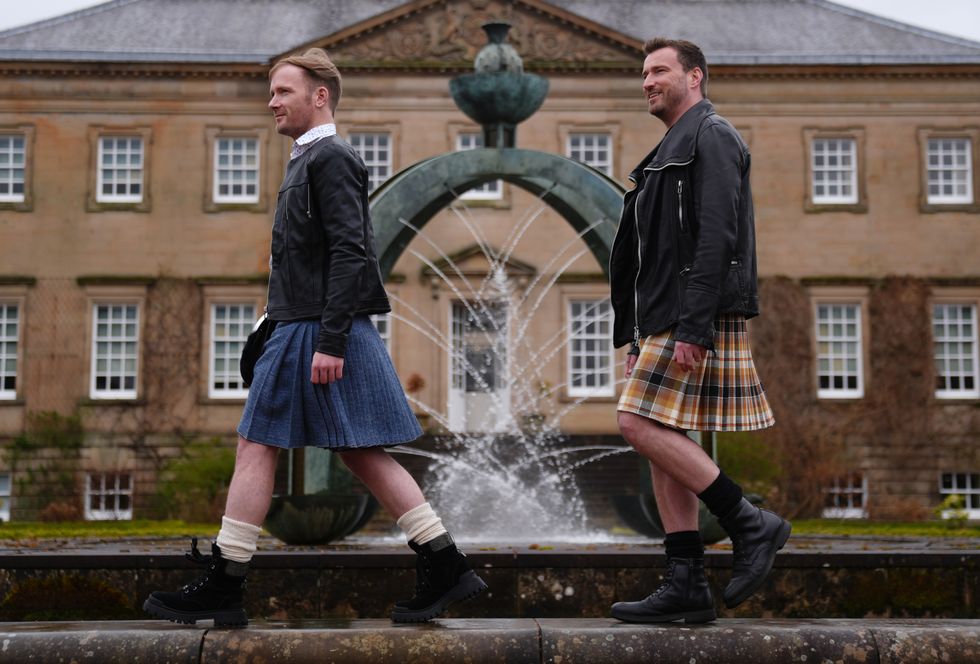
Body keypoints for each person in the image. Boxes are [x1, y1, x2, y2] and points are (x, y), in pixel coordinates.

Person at [143, 48, 486, 627]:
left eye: (283, 91)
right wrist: (265, 323)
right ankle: (445, 562)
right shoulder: (307, 159)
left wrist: (329, 341)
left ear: (319, 95)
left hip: (318, 330)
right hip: (301, 324)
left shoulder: (331, 158)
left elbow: (353, 253)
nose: (272, 101)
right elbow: (306, 262)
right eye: (272, 92)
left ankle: (226, 584)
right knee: (359, 451)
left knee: (256, 445)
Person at [608, 37, 790, 624]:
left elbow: (718, 237)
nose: (647, 81)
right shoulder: (670, 147)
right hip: (666, 316)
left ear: (696, 77)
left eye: (660, 70)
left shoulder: (712, 136)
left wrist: (693, 325)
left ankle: (748, 522)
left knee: (634, 422)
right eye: (643, 73)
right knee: (663, 433)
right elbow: (654, 256)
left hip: (695, 315)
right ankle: (685, 579)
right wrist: (639, 336)